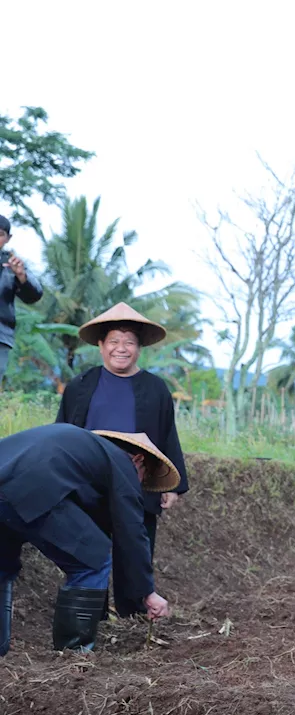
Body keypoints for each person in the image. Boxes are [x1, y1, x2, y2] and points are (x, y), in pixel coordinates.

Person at [56, 302, 190, 619]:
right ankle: (90, 611)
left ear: (139, 348)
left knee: (136, 544)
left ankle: (132, 611)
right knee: (88, 545)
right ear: (101, 345)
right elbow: (61, 432)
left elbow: (167, 435)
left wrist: (172, 484)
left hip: (137, 479)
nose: (121, 348)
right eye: (114, 340)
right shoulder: (79, 386)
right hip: (88, 480)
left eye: (129, 341)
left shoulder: (156, 389)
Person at [0, 423, 177, 655]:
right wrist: (147, 592)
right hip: (30, 486)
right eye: (143, 479)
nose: (139, 485)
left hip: (11, 482)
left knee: (2, 569)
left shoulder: (80, 449)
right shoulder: (121, 462)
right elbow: (131, 530)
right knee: (92, 560)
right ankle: (73, 657)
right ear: (138, 460)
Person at [0, 213, 44, 384]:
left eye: (0, 234)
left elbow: (35, 295)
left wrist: (21, 276)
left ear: (8, 239)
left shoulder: (12, 265)